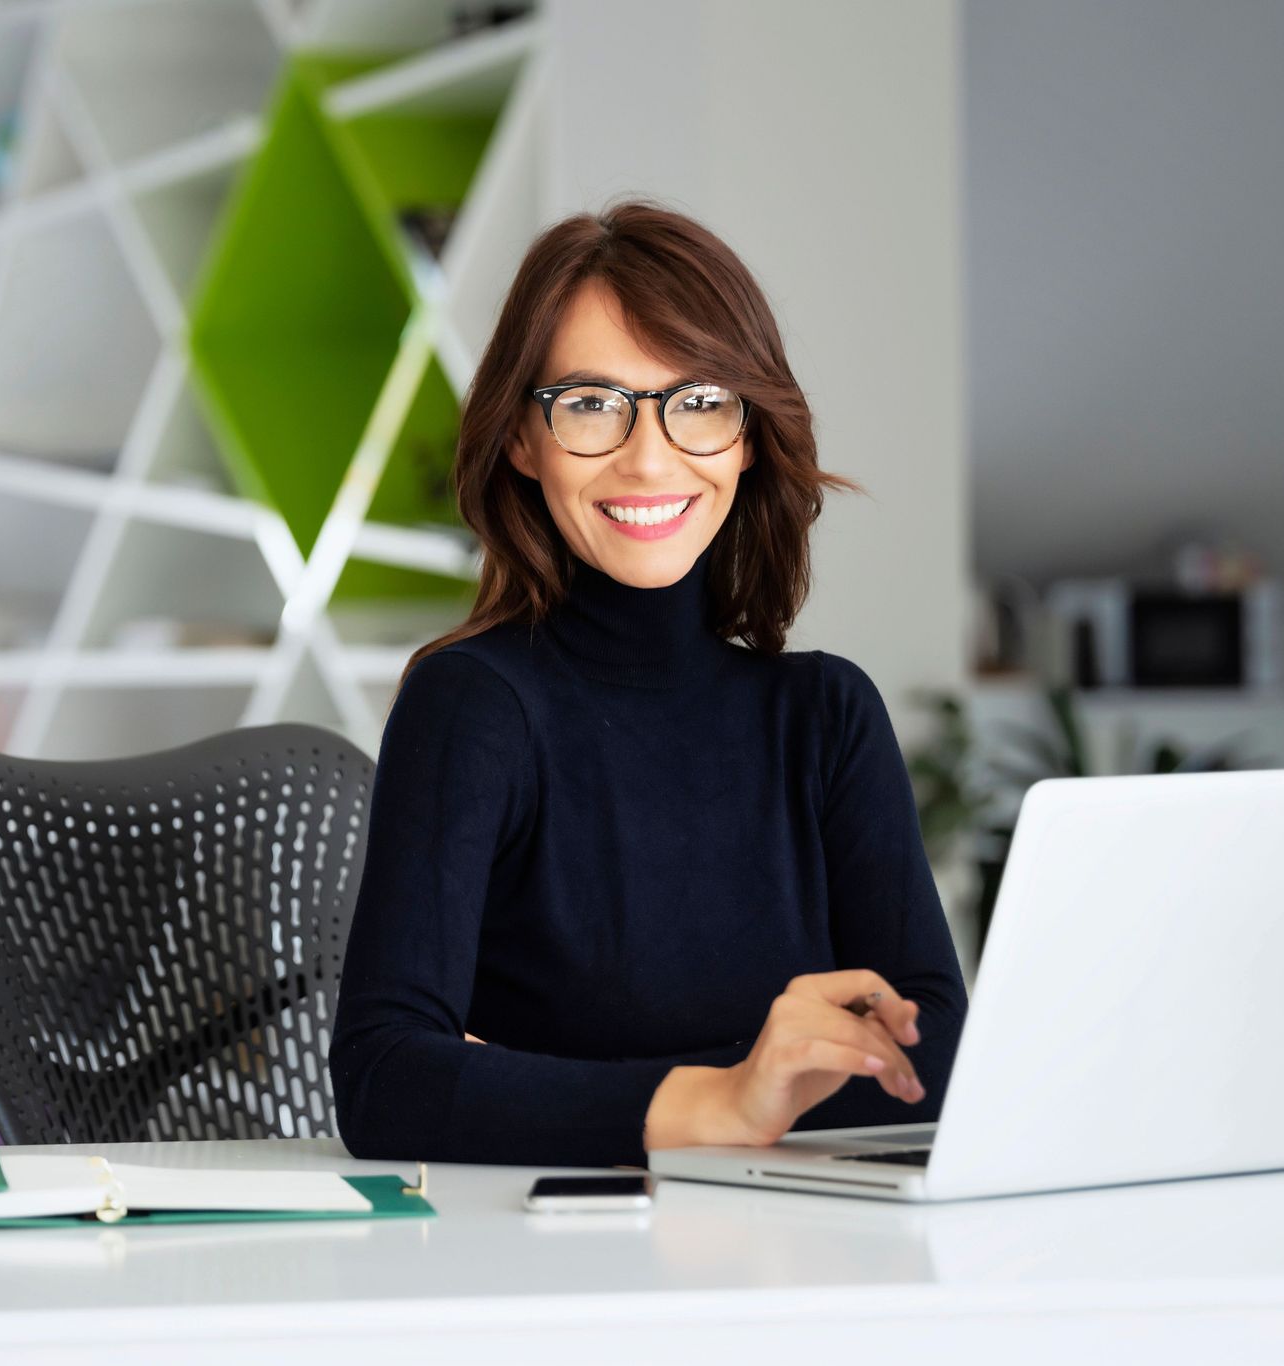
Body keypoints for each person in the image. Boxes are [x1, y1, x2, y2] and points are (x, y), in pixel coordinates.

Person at [329, 199, 968, 1168]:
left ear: (747, 434)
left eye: (697, 399)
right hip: (558, 1267)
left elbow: (939, 1062)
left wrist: (527, 1081)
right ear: (519, 439)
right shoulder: (470, 705)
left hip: (804, 1264)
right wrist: (728, 1094)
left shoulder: (826, 716)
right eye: (589, 404)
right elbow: (385, 1082)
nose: (647, 455)